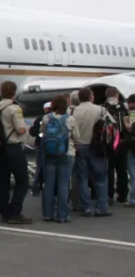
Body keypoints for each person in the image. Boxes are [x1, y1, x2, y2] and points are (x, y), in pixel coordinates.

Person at [0, 81, 32, 224]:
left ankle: (4, 211)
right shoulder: (14, 108)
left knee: (2, 180)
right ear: (13, 93)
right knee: (22, 180)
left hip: (0, 147)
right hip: (13, 147)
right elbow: (20, 129)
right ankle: (15, 212)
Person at [71, 88, 112, 217]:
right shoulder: (101, 110)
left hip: (79, 146)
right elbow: (112, 125)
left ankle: (85, 208)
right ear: (91, 97)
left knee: (82, 178)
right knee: (101, 178)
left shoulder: (72, 111)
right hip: (97, 147)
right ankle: (101, 208)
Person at [41, 95, 78, 222]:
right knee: (63, 184)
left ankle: (47, 213)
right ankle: (62, 215)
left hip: (50, 154)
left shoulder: (46, 118)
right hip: (67, 153)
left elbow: (43, 133)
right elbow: (77, 136)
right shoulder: (70, 119)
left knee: (49, 184)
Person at [103, 87, 128, 204]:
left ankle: (109, 194)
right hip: (122, 142)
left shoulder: (102, 108)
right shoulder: (124, 107)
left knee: (109, 169)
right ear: (117, 94)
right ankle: (122, 194)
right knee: (122, 169)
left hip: (108, 143)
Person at [29, 101, 52, 197]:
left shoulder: (40, 118)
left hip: (40, 144)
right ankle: (49, 187)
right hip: (53, 145)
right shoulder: (56, 117)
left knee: (39, 167)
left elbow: (33, 132)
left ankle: (36, 188)